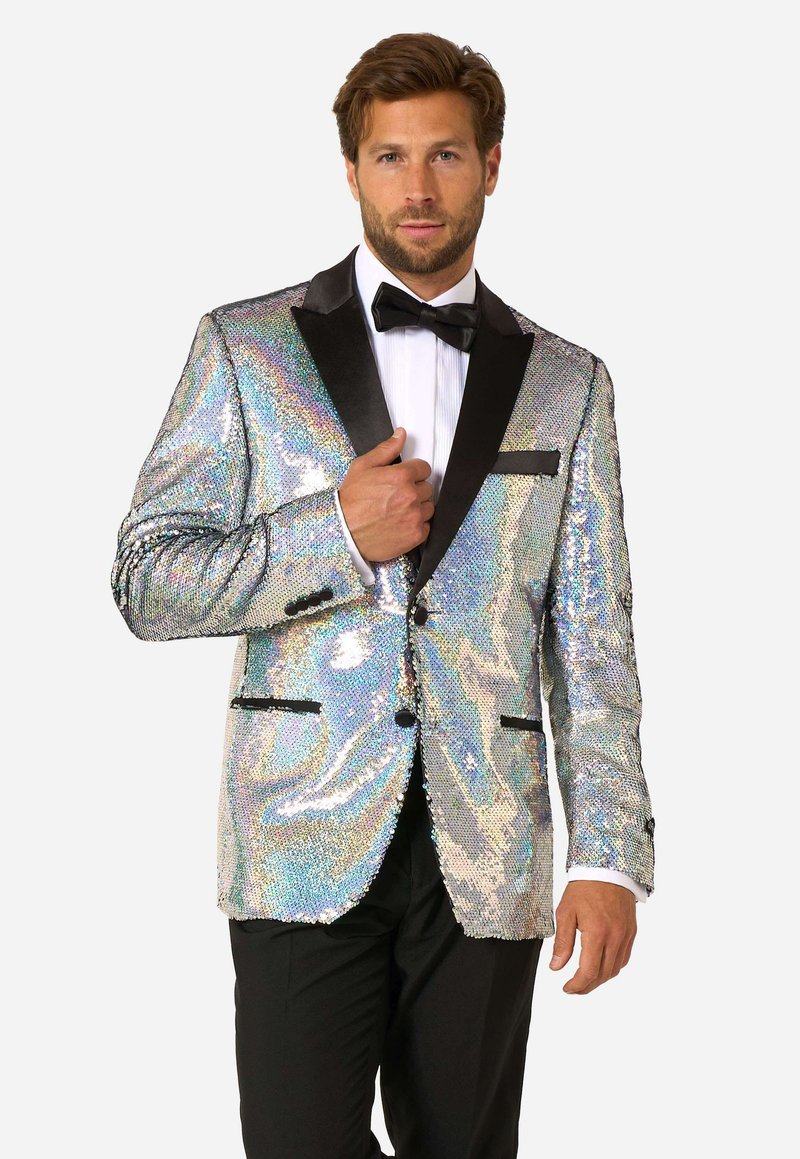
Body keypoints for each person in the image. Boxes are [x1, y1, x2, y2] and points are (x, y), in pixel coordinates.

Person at [111, 31, 656, 1159]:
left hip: (489, 839)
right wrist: (335, 535)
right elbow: (147, 580)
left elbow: (592, 636)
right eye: (390, 157)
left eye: (445, 154)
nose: (417, 187)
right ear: (351, 169)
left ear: (491, 164)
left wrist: (606, 855)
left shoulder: (569, 382)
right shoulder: (244, 348)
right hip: (299, 830)